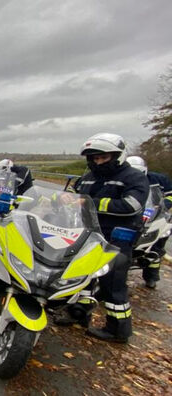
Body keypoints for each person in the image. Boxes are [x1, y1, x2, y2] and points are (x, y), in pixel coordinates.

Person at [57, 133, 149, 343]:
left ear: (117, 155)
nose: (98, 162)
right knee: (80, 276)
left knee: (112, 285)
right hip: (87, 234)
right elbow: (76, 191)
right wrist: (67, 196)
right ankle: (78, 314)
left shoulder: (133, 177)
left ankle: (118, 330)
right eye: (94, 158)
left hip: (116, 239)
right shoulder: (89, 175)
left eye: (103, 158)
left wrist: (92, 203)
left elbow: (131, 205)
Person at [126, 156, 172, 288]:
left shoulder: (158, 179)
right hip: (133, 215)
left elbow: (170, 194)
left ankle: (151, 277)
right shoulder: (124, 179)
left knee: (157, 247)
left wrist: (165, 205)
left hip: (157, 215)